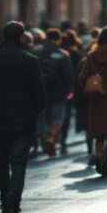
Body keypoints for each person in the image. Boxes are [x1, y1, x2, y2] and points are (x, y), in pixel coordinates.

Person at [0, 21, 45, 213]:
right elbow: (40, 95)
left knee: (1, 163)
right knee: (19, 163)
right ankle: (13, 204)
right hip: (23, 121)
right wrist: (34, 113)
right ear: (21, 37)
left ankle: (5, 200)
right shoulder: (30, 60)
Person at [78, 28, 107, 177]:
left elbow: (82, 77)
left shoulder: (91, 56)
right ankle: (105, 163)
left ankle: (98, 153)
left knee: (99, 134)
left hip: (96, 99)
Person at [33, 28, 74, 157]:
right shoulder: (63, 54)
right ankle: (52, 138)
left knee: (42, 119)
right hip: (58, 92)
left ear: (47, 38)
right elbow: (68, 75)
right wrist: (70, 90)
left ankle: (45, 142)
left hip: (40, 90)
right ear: (59, 39)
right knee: (58, 117)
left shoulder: (36, 53)